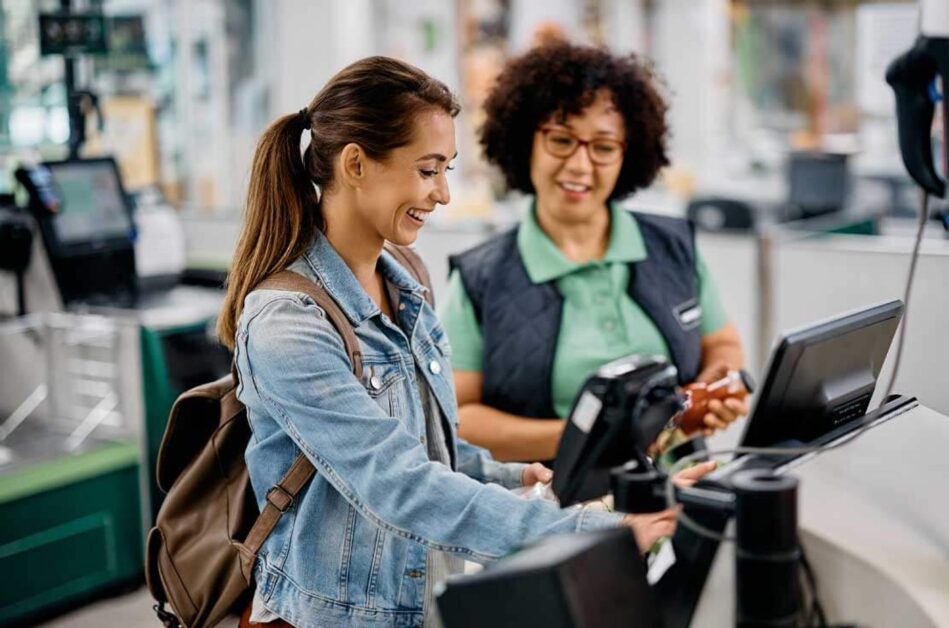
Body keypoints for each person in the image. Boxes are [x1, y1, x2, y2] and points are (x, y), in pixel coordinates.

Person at [218, 56, 702, 628]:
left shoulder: (409, 278)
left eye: (447, 169)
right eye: (428, 171)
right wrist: (600, 531)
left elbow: (425, 446)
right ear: (355, 164)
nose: (443, 194)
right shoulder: (286, 323)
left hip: (420, 604)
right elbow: (398, 483)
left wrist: (508, 473)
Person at [441, 42, 749, 463]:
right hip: (557, 513)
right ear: (524, 140)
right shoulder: (480, 280)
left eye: (603, 147)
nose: (581, 166)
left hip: (683, 499)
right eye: (561, 140)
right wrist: (592, 435)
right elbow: (459, 418)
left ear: (629, 152)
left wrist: (714, 390)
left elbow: (723, 345)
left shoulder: (673, 247)